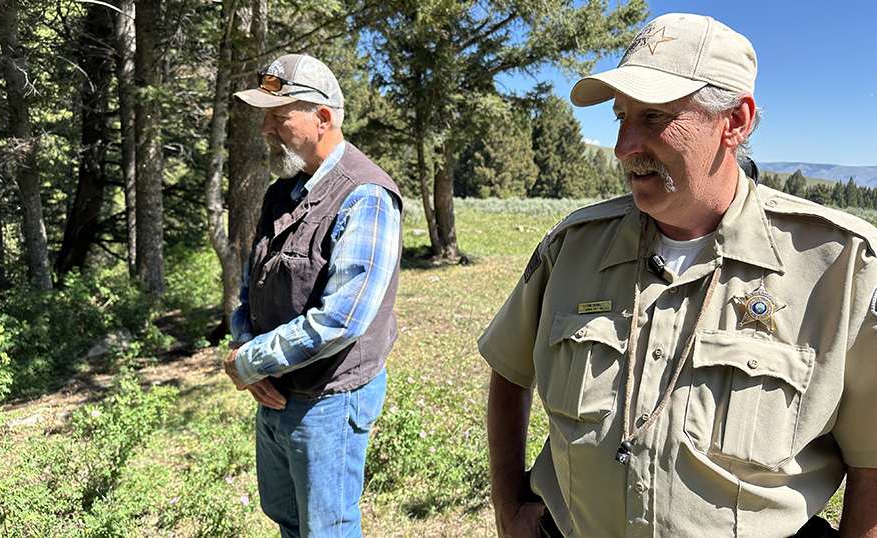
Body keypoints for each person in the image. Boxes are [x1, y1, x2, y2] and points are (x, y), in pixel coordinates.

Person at [480, 13, 877, 538]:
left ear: (735, 121)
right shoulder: (570, 248)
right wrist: (509, 507)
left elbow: (872, 460)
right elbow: (509, 373)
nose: (625, 146)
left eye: (653, 118)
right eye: (621, 117)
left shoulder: (839, 264)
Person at [223, 53, 402, 538]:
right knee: (288, 521)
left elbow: (342, 319)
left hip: (328, 401)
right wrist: (245, 349)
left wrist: (250, 361)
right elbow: (250, 288)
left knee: (326, 530)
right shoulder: (282, 194)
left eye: (278, 117)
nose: (265, 128)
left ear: (323, 118)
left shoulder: (365, 194)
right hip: (275, 395)